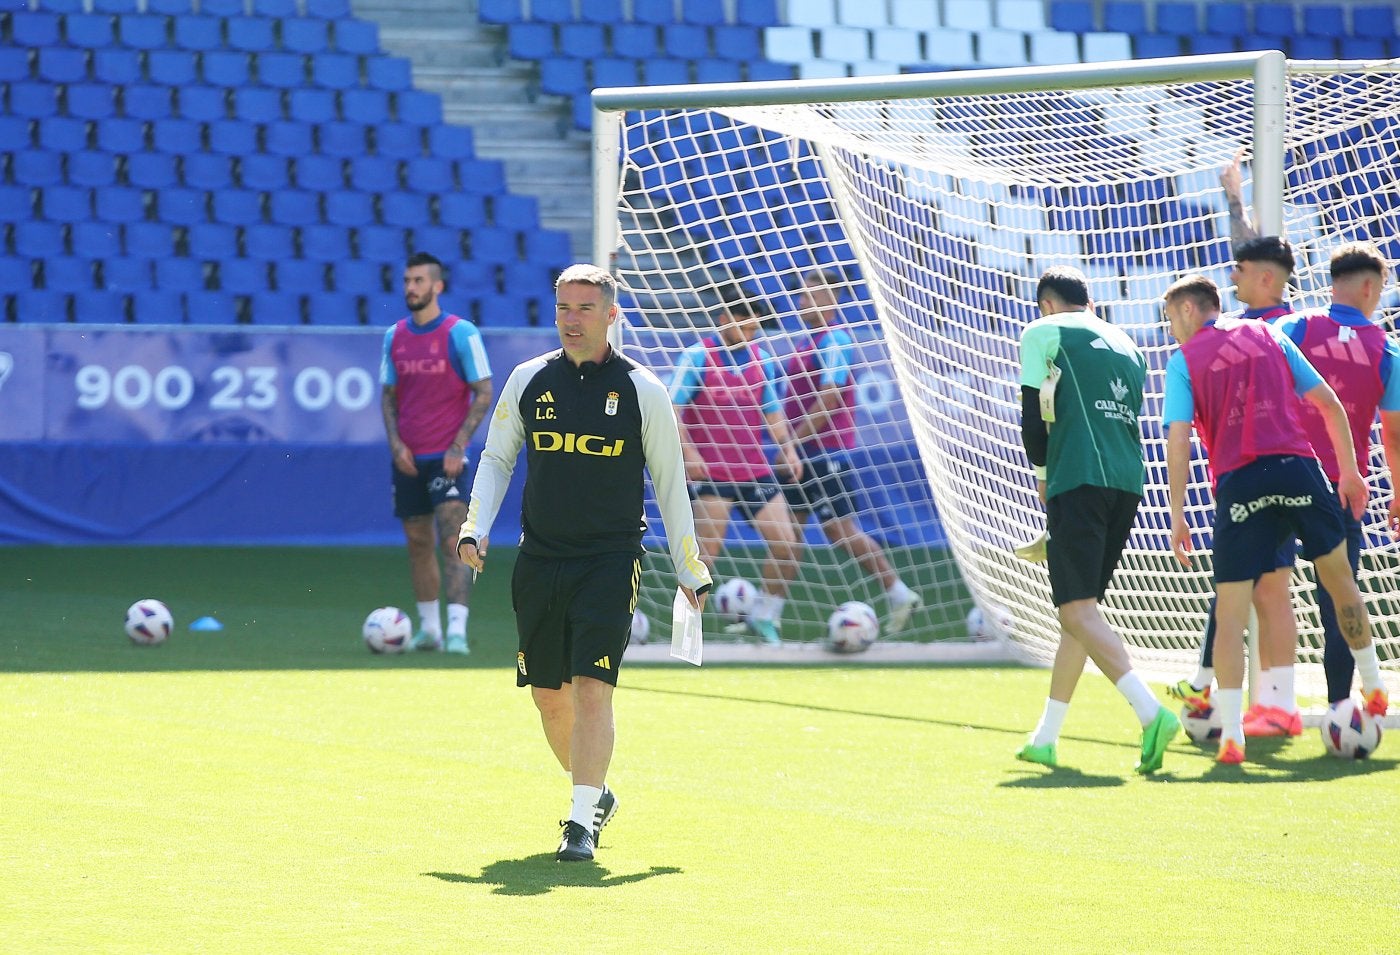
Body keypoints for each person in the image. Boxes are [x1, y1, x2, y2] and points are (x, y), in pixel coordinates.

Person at [456, 264, 711, 863]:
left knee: (594, 687)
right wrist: (475, 526)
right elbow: (496, 459)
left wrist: (689, 567)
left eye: (585, 309)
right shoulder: (527, 380)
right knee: (550, 695)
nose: (572, 320)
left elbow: (671, 486)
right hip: (539, 558)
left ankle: (579, 823)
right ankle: (595, 792)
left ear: (611, 315)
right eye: (564, 308)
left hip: (610, 559)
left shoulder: (644, 391)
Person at [1162, 274, 1386, 765]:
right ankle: (1373, 689)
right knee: (1339, 579)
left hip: (1241, 481)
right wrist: (1348, 472)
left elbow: (1178, 440)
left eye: (1169, 321)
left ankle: (1231, 738)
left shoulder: (1183, 362)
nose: (1170, 332)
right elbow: (1326, 402)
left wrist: (1178, 515)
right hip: (1297, 467)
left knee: (1232, 609)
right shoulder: (1270, 334)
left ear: (1185, 311)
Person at [1013, 266, 1180, 773]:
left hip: (1079, 478)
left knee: (1077, 611)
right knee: (1077, 615)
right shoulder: (1128, 344)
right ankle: (1046, 736)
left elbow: (1032, 415)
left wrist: (1042, 476)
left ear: (1046, 303)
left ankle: (1151, 713)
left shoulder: (1042, 332)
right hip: (1127, 483)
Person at [1165, 233, 1304, 734]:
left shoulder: (1284, 329)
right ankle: (1240, 694)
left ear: (1265, 276)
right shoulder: (1244, 329)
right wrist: (1235, 202)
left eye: (1241, 270)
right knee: (1252, 585)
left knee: (1268, 588)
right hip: (1270, 470)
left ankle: (1273, 703)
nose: (1234, 276)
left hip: (1275, 465)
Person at [1272, 243, 1400, 718]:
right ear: (1370, 287)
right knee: (1340, 600)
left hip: (1281, 476)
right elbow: (1394, 436)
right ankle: (1341, 706)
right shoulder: (1387, 348)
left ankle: (1268, 702)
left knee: (1263, 587)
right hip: (1345, 487)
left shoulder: (1294, 327)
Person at [780, 269, 923, 632]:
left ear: (832, 301)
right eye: (801, 295)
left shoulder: (836, 341)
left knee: (839, 531)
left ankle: (899, 592)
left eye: (812, 296)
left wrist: (792, 443)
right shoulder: (808, 342)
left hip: (825, 453)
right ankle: (767, 613)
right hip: (805, 453)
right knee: (785, 533)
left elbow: (829, 398)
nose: (803, 302)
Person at [670, 289, 803, 646]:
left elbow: (772, 412)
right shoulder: (698, 357)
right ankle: (686, 634)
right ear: (724, 319)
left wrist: (788, 448)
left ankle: (765, 616)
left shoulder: (763, 360)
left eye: (754, 318)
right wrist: (689, 453)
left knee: (787, 544)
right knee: (704, 558)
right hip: (711, 472)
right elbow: (673, 408)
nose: (749, 324)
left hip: (754, 470)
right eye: (742, 317)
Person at [380, 251, 492, 655]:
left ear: (437, 286)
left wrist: (458, 444)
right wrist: (395, 445)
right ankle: (430, 629)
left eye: (419, 281)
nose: (411, 288)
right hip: (409, 458)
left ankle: (458, 631)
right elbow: (389, 396)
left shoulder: (460, 333)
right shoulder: (395, 336)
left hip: (448, 458)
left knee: (453, 541)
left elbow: (483, 390)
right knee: (417, 542)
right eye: (408, 281)